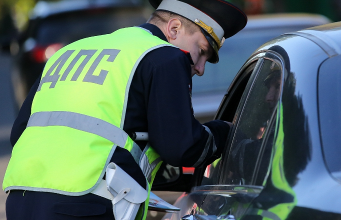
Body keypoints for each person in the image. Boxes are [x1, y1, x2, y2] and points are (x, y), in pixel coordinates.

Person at [3, 0, 247, 219]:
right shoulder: (166, 57)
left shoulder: (68, 52)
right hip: (84, 204)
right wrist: (226, 132)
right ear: (174, 29)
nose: (201, 68)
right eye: (202, 51)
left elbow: (20, 133)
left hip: (20, 200)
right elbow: (182, 147)